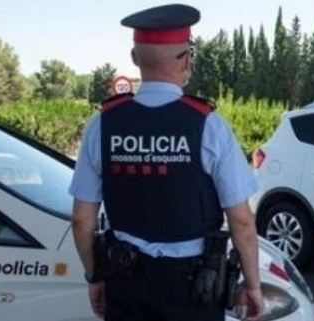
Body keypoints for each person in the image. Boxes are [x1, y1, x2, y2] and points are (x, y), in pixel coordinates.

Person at [68, 4, 263, 320]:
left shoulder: (103, 123)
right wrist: (253, 285)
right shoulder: (208, 125)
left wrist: (95, 276)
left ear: (135, 58)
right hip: (193, 289)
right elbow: (241, 221)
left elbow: (81, 220)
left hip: (125, 283)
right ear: (186, 60)